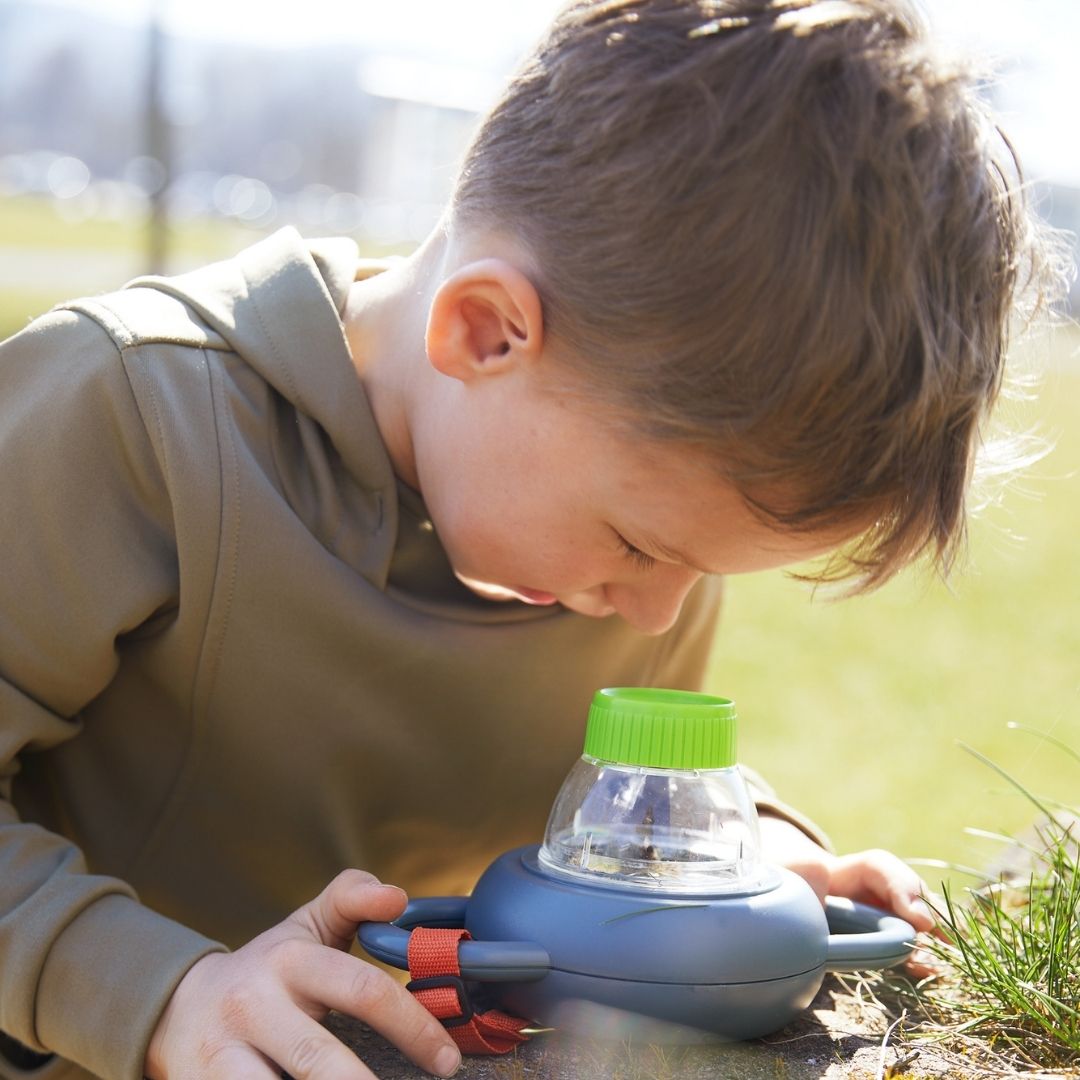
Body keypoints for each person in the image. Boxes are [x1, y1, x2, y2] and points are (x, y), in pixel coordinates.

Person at [0, 0, 1065, 1077]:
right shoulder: (137, 416)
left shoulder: (617, 539)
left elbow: (589, 799)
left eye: (706, 569)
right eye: (643, 546)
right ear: (485, 331)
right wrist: (160, 992)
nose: (664, 610)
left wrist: (748, 864)